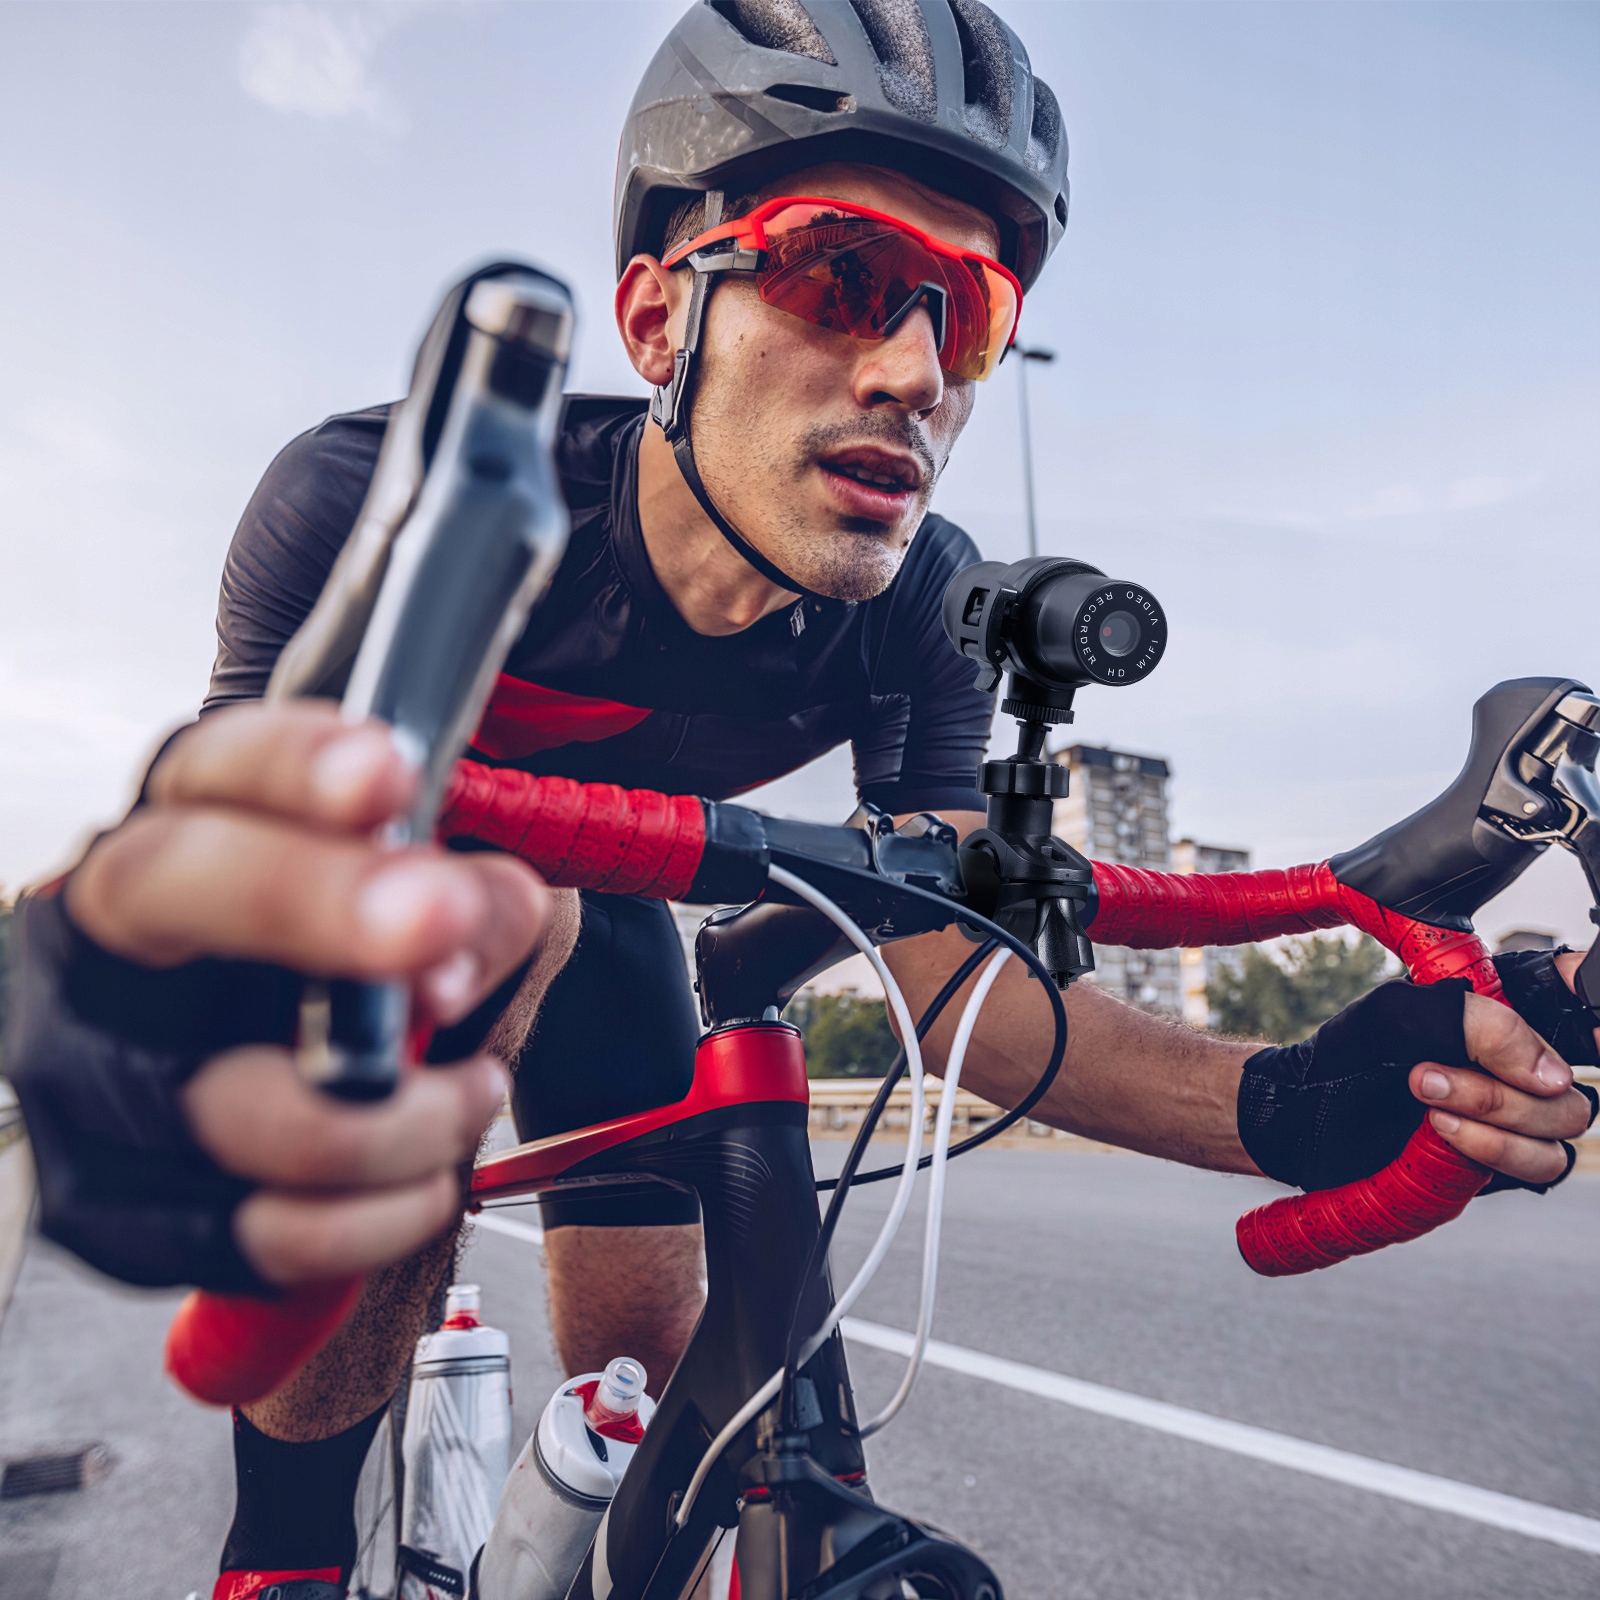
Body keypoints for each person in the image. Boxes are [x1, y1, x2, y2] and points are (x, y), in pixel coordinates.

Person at [6, 4, 1596, 1598]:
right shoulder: (372, 504)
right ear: (656, 321)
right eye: (839, 274)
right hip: (418, 929)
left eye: (968, 315)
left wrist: (1291, 1106)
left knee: (655, 1383)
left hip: (623, 921)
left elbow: (955, 976)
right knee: (470, 958)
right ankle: (283, 1555)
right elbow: (239, 858)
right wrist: (104, 985)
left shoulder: (920, 606)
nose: (913, 372)